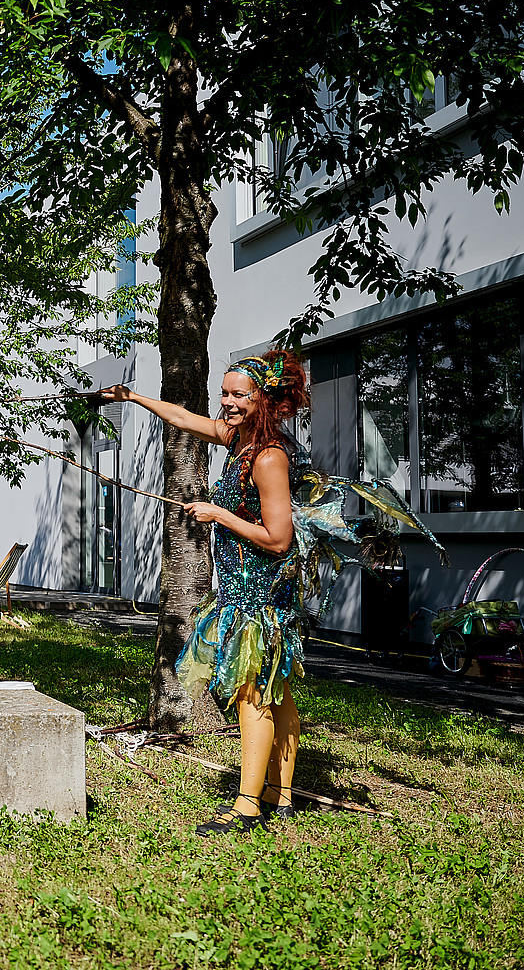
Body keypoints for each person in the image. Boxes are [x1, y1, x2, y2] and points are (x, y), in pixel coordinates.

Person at [100, 350, 310, 835]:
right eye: (224, 393)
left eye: (239, 395)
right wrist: (132, 397)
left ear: (264, 400)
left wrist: (219, 515)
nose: (228, 402)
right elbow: (182, 417)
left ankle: (247, 807)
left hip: (259, 594)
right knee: (275, 692)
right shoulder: (237, 439)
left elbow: (279, 539)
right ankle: (279, 796)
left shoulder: (269, 458)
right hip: (242, 587)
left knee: (253, 692)